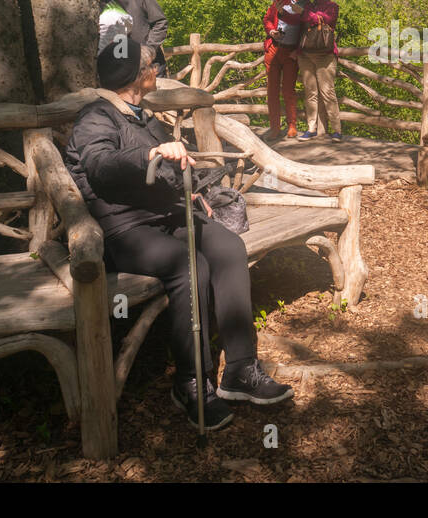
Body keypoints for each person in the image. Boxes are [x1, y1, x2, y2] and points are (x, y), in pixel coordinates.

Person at [64, 40, 293, 431]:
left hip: (165, 214)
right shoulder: (97, 118)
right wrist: (150, 156)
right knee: (187, 263)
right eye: (154, 64)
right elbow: (100, 166)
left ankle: (239, 369)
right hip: (124, 227)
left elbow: (176, 165)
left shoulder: (142, 116)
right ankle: (191, 381)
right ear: (138, 76)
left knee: (228, 247)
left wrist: (196, 191)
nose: (158, 69)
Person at [262, 0, 307, 139]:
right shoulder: (281, 0)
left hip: (291, 53)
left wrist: (298, 51)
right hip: (274, 48)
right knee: (272, 91)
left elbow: (306, 29)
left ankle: (292, 126)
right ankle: (275, 128)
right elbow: (267, 19)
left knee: (289, 90)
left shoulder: (307, 6)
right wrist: (272, 31)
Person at [296, 0, 341, 140]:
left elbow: (326, 20)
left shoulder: (332, 6)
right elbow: (300, 26)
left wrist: (304, 13)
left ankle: (337, 130)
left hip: (325, 56)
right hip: (306, 55)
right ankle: (311, 127)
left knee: (328, 93)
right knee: (310, 92)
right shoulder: (308, 6)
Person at [100, 0, 169, 76]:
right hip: (123, 70)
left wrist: (149, 49)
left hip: (151, 65)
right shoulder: (97, 6)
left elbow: (160, 22)